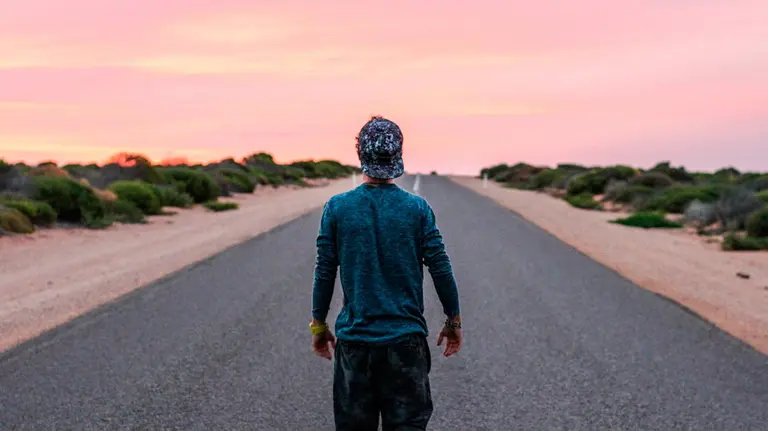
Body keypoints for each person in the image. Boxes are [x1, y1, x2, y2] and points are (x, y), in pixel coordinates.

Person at [310, 115, 463, 430]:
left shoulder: (337, 208)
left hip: (355, 345)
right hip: (405, 343)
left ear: (360, 155)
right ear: (398, 155)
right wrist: (453, 320)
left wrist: (319, 326)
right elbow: (440, 266)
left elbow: (325, 270)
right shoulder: (417, 209)